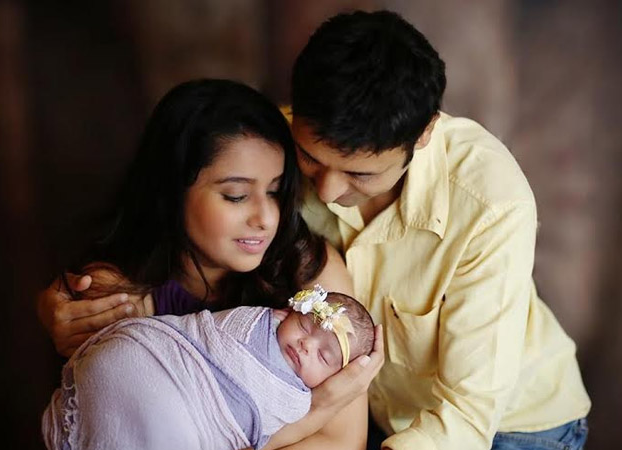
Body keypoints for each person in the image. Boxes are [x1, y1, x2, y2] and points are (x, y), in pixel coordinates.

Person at [285, 10, 591, 450]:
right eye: (310, 158)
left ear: (424, 133)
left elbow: (469, 414)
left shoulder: (491, 204)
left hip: (511, 428)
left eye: (360, 174)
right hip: (380, 416)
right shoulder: (273, 142)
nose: (327, 191)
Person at [38, 78, 384, 450]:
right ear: (173, 190)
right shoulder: (118, 293)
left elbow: (340, 443)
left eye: (275, 192)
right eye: (236, 195)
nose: (266, 218)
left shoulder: (310, 271)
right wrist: (317, 409)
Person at [43, 285, 375, 450]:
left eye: (324, 356)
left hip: (185, 420)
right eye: (303, 327)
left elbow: (260, 430)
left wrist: (312, 405)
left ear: (335, 377)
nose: (306, 345)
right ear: (286, 313)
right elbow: (209, 335)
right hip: (158, 355)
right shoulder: (255, 322)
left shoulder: (296, 399)